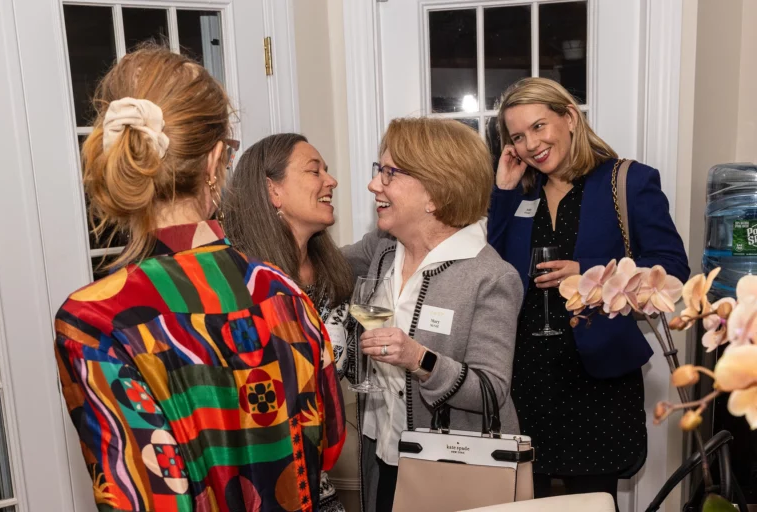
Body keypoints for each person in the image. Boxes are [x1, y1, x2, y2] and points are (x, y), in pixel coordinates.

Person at [54, 46, 345, 512]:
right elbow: (327, 443)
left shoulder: (94, 319)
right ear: (214, 162)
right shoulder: (281, 289)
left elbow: (135, 494)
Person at [488, 77, 689, 508]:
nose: (531, 145)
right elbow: (489, 263)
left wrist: (591, 273)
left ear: (570, 118)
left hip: (596, 382)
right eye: (518, 136)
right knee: (525, 502)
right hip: (526, 380)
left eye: (540, 127)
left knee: (592, 502)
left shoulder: (627, 181)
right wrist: (502, 192)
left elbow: (673, 271)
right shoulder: (523, 193)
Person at [344, 117, 523, 511]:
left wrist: (418, 359)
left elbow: (492, 390)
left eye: (389, 173)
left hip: (451, 472)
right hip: (383, 455)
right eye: (379, 172)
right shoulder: (384, 250)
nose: (375, 185)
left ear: (436, 194)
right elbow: (322, 266)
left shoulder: (490, 276)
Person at [223, 133, 355, 512]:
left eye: (327, 171)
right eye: (314, 171)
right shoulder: (238, 281)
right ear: (272, 190)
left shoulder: (334, 273)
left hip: (321, 486)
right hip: (260, 487)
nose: (330, 181)